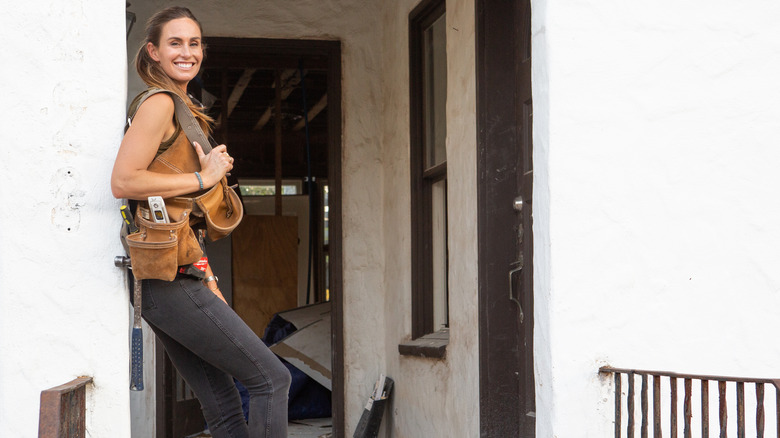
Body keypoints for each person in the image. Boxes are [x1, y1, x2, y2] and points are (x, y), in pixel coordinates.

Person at [110, 7, 291, 438]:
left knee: (223, 404)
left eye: (194, 43)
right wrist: (203, 176)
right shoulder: (159, 103)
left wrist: (207, 277)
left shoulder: (181, 106)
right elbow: (124, 180)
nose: (187, 52)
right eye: (175, 43)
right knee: (271, 379)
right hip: (167, 280)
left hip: (174, 273)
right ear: (152, 51)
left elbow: (181, 220)